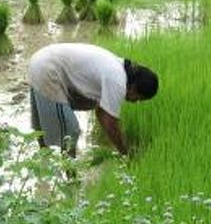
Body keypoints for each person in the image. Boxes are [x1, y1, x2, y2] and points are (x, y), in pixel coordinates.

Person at [28, 43, 159, 157]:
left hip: (40, 60)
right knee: (70, 132)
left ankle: (43, 160)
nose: (136, 102)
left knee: (41, 126)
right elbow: (109, 122)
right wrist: (124, 152)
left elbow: (100, 113)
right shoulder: (117, 80)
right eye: (139, 98)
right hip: (48, 70)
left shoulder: (117, 66)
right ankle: (71, 176)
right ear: (134, 87)